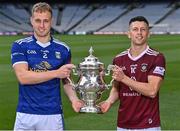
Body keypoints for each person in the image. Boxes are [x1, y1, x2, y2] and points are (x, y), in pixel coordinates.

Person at [11, 2, 83, 131]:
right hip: (25, 113)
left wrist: (74, 100)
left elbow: (66, 81)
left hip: (52, 114)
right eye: (38, 20)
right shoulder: (20, 45)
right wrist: (56, 73)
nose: (42, 25)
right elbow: (23, 77)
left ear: (52, 21)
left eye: (46, 21)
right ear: (31, 21)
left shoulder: (63, 49)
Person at [99, 16, 166, 130]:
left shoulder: (156, 57)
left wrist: (124, 78)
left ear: (148, 33)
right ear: (129, 33)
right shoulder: (118, 59)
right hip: (123, 124)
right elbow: (117, 89)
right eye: (135, 29)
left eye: (143, 29)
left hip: (148, 125)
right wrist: (108, 102)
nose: (139, 33)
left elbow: (152, 90)